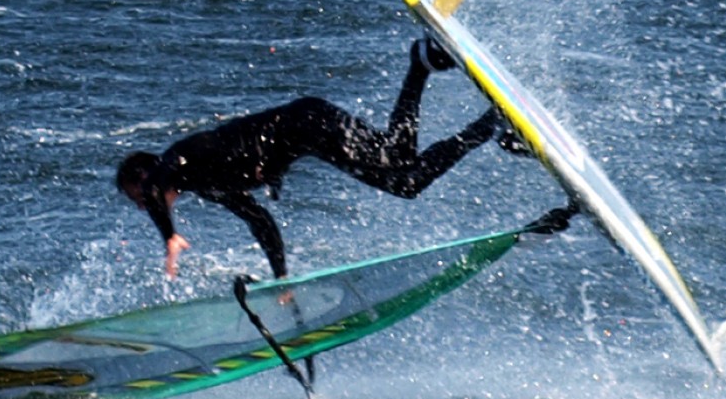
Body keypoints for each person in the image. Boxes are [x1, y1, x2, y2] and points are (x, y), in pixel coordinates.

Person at [117, 37, 511, 279]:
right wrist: (281, 278)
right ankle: (478, 114)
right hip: (312, 134)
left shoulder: (178, 158)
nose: (142, 203)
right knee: (406, 179)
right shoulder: (206, 185)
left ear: (145, 174)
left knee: (396, 159)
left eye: (135, 195)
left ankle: (431, 74)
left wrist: (169, 237)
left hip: (307, 122)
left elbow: (155, 188)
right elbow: (261, 222)